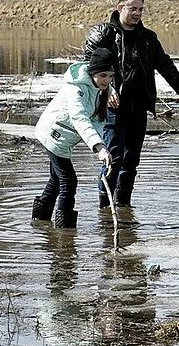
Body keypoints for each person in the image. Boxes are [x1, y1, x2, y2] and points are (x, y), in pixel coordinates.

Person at [84, 0, 179, 210]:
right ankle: (105, 208)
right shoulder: (105, 35)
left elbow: (164, 64)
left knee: (131, 160)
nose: (137, 13)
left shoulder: (148, 38)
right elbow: (90, 68)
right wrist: (108, 90)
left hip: (139, 105)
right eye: (132, 8)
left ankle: (123, 206)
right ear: (120, 7)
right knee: (112, 156)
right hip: (113, 106)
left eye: (141, 9)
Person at [32, 48, 116, 228]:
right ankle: (65, 233)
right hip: (53, 135)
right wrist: (99, 147)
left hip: (65, 138)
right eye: (103, 75)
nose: (107, 80)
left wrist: (101, 148)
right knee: (68, 181)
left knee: (56, 180)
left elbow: (98, 121)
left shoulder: (103, 90)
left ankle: (39, 222)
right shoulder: (75, 88)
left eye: (110, 76)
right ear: (93, 72)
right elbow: (80, 118)